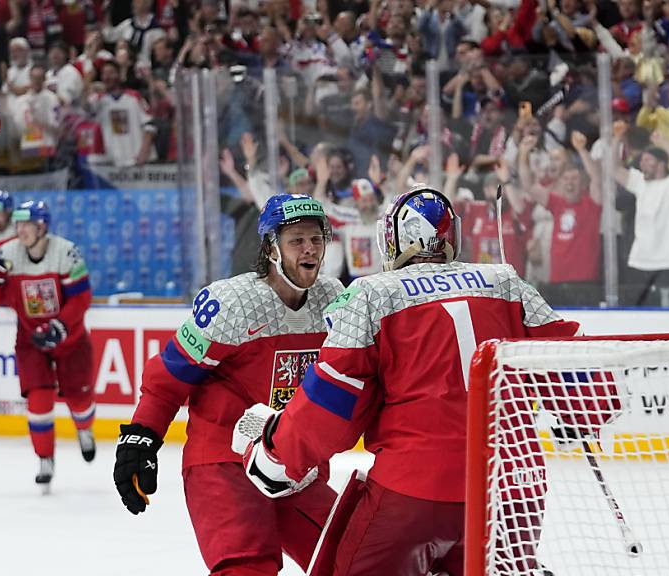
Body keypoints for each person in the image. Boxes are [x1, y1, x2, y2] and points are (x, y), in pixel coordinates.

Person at [232, 185, 589, 576]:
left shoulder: (373, 293)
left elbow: (334, 401)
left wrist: (276, 454)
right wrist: (582, 412)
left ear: (396, 238)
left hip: (415, 492)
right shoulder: (506, 282)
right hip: (512, 490)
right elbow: (577, 361)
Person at [113, 193, 344, 575]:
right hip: (223, 462)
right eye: (297, 239)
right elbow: (170, 376)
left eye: (316, 239)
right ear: (272, 248)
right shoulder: (232, 303)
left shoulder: (333, 300)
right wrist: (141, 438)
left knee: (353, 557)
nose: (310, 249)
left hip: (291, 464)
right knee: (246, 567)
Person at [0, 200, 96, 490]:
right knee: (39, 400)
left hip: (71, 338)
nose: (20, 230)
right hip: (30, 341)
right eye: (17, 224)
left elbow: (82, 298)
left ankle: (85, 430)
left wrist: (60, 326)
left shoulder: (65, 251)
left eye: (27, 224)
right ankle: (45, 459)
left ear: (42, 227)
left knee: (79, 400)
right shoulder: (6, 253)